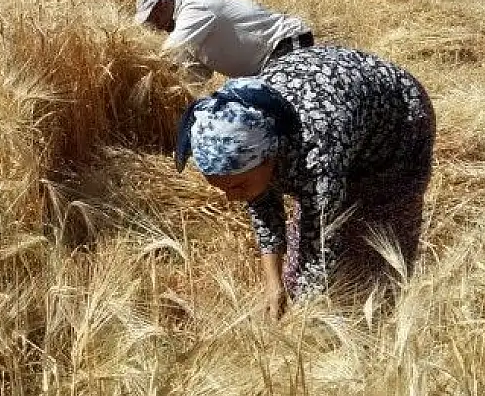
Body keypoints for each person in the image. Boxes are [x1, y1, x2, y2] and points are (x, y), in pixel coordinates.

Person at [174, 46, 435, 319]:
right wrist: (273, 285)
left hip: (399, 119)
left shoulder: (316, 154)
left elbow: (320, 246)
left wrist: (304, 322)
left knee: (376, 237)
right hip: (337, 107)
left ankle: (383, 318)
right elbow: (262, 203)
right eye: (222, 188)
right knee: (297, 271)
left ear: (269, 156)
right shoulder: (254, 130)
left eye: (237, 186)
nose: (231, 198)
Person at [134, 0, 313, 79]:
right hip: (263, 66)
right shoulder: (190, 29)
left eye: (154, 19)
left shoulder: (196, 6)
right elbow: (197, 75)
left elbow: (168, 53)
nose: (155, 26)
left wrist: (135, 71)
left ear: (163, 5)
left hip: (285, 45)